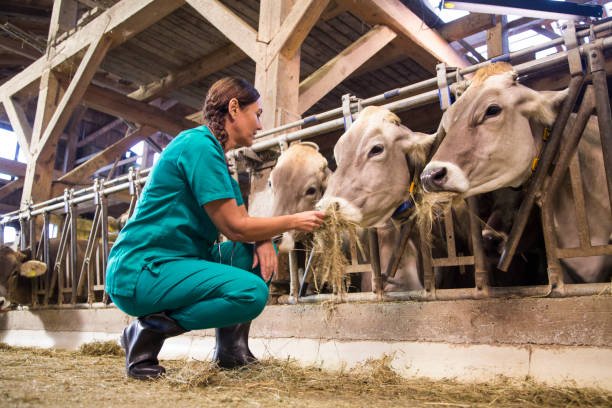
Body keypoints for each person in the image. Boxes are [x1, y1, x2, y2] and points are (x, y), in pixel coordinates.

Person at [105, 77, 325, 380]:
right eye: (257, 114)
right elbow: (235, 227)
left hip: (177, 263)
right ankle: (147, 331)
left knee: (256, 253)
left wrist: (262, 240)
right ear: (234, 108)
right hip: (141, 269)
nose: (260, 125)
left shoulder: (220, 163)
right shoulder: (197, 146)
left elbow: (244, 224)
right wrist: (294, 221)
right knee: (251, 293)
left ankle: (231, 352)